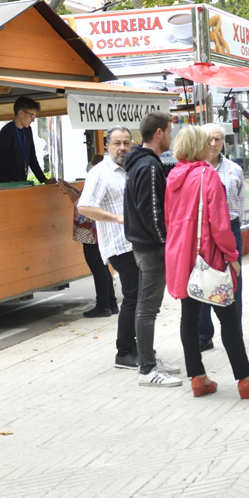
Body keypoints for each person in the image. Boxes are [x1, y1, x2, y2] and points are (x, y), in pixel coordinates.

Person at [164, 125, 249, 400]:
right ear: (198, 146)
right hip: (210, 255)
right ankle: (246, 379)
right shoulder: (207, 175)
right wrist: (232, 257)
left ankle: (198, 377)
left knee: (188, 317)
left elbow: (171, 219)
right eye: (207, 141)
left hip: (182, 255)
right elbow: (220, 224)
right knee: (228, 316)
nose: (211, 145)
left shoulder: (174, 176)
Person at [123, 112, 182, 386]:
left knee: (145, 307)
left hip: (143, 245)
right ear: (159, 133)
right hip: (150, 248)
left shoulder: (141, 162)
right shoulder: (147, 165)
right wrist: (165, 241)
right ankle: (147, 369)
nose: (171, 137)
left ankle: (148, 358)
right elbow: (152, 212)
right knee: (147, 308)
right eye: (169, 132)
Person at [76, 129, 142, 360]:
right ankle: (124, 351)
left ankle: (138, 347)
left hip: (136, 243)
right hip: (118, 245)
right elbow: (84, 206)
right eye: (117, 143)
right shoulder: (100, 173)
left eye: (126, 143)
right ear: (107, 146)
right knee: (133, 296)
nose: (122, 147)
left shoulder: (128, 170)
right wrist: (117, 218)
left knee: (140, 297)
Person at [196, 124, 245, 352]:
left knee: (233, 280)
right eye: (209, 139)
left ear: (224, 142)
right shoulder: (197, 171)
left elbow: (240, 202)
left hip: (231, 229)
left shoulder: (235, 169)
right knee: (204, 280)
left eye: (217, 139)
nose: (213, 144)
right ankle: (204, 334)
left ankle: (235, 331)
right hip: (205, 233)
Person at [70, 152, 118, 319]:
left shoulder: (96, 180)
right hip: (96, 230)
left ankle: (103, 305)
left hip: (92, 231)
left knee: (98, 267)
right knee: (102, 267)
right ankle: (110, 303)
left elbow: (86, 205)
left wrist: (72, 196)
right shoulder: (105, 179)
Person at [0, 96, 49, 184]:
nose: (33, 120)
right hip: (6, 184)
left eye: (34, 116)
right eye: (31, 115)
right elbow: (4, 162)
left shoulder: (27, 130)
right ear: (21, 113)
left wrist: (44, 180)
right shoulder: (6, 131)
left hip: (21, 182)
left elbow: (32, 158)